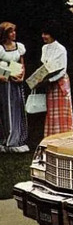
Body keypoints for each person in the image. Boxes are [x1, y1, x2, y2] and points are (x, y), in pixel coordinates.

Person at [40, 23, 73, 136]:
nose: (44, 36)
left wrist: (50, 80)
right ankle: (51, 135)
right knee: (51, 111)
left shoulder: (61, 49)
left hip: (59, 82)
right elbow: (44, 65)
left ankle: (64, 134)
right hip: (49, 83)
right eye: (43, 34)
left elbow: (62, 70)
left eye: (46, 34)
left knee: (62, 110)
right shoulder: (44, 48)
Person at [0, 22, 28, 152]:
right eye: (11, 32)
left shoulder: (19, 47)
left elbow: (22, 64)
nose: (14, 34)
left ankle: (18, 138)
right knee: (7, 109)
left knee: (18, 107)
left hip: (17, 82)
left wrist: (21, 76)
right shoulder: (1, 48)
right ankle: (8, 138)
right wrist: (7, 75)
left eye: (14, 31)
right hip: (5, 83)